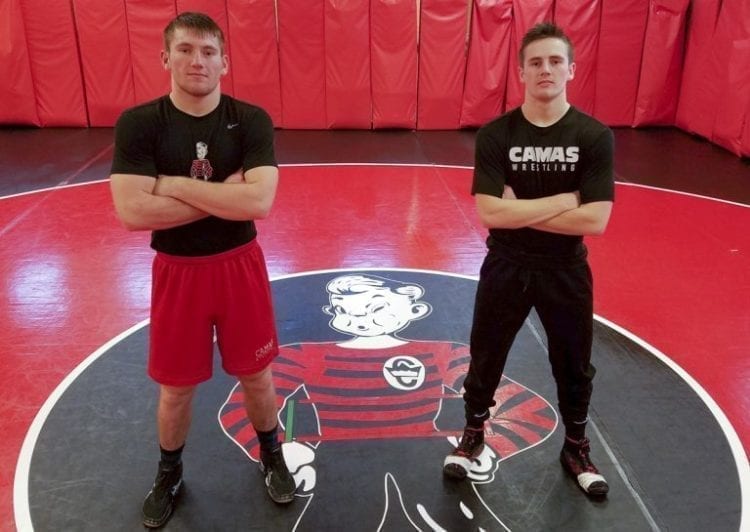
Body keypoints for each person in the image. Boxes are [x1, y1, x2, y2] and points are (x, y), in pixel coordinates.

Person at [109, 12, 296, 528]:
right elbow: (132, 212)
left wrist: (170, 184)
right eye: (186, 50)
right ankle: (169, 472)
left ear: (225, 62)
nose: (198, 61)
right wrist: (225, 195)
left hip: (239, 267)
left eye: (209, 52)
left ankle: (272, 455)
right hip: (178, 271)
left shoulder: (249, 119)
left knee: (257, 376)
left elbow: (259, 202)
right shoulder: (140, 123)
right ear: (166, 58)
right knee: (175, 387)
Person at [443, 22, 614, 497]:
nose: (545, 69)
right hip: (507, 264)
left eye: (555, 61)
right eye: (535, 62)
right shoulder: (497, 134)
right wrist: (567, 200)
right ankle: (473, 433)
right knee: (486, 353)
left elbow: (596, 220)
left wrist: (518, 211)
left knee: (574, 363)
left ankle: (576, 446)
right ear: (520, 71)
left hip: (566, 268)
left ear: (571, 70)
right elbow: (489, 213)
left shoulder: (594, 135)